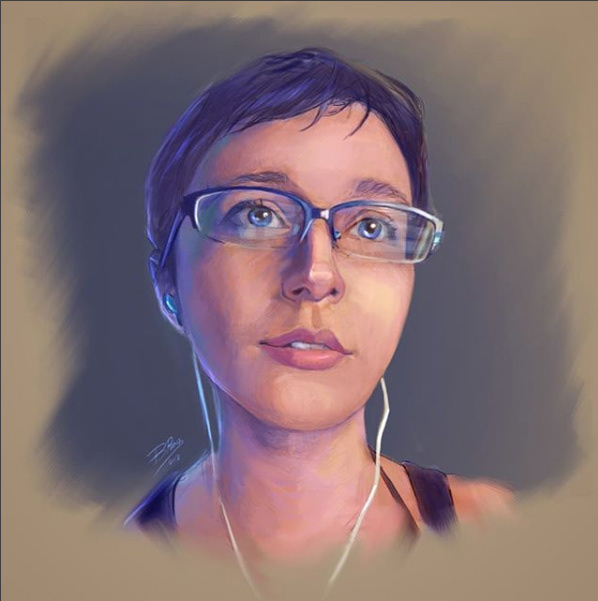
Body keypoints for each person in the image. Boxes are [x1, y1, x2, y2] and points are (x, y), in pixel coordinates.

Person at [127, 47, 512, 593]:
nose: (316, 274)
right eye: (257, 214)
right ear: (169, 286)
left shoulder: (496, 533)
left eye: (372, 226)